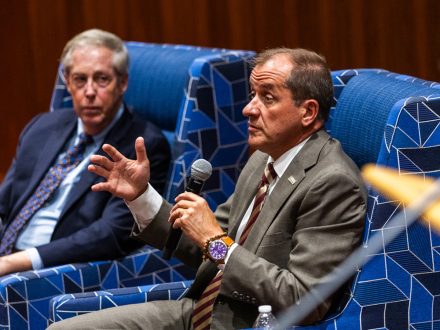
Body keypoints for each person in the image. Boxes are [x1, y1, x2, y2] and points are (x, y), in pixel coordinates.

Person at [49, 48, 366, 329]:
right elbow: (199, 245)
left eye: (267, 97)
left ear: (307, 112)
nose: (248, 109)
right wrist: (140, 196)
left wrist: (216, 242)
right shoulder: (263, 160)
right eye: (252, 95)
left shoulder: (332, 181)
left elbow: (303, 299)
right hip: (199, 311)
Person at [0, 29, 170, 275]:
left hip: (51, 273)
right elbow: (4, 204)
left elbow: (112, 234)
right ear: (67, 82)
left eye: (102, 79)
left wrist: (16, 262)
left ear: (122, 83)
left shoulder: (143, 147)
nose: (89, 91)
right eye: (80, 79)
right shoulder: (42, 127)